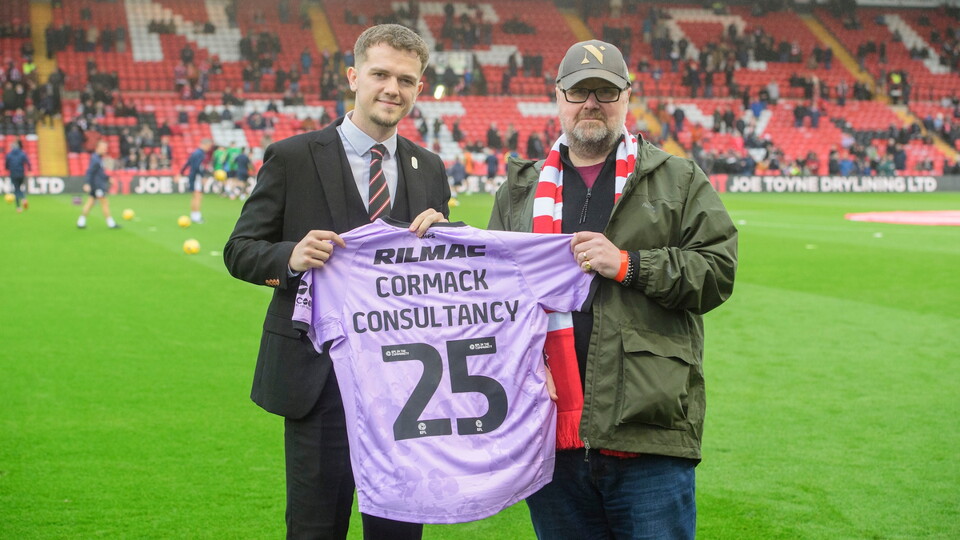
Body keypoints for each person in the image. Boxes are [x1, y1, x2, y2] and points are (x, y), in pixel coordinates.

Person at [488, 39, 738, 539]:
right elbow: (498, 298)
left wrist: (628, 264)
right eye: (580, 91)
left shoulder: (677, 177)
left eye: (605, 91)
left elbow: (717, 270)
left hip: (647, 432)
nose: (592, 104)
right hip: (550, 430)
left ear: (627, 97)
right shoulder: (519, 189)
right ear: (558, 97)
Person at [223, 24, 450, 540]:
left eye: (407, 80)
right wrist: (292, 256)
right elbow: (239, 250)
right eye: (381, 74)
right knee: (315, 528)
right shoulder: (293, 157)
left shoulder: (429, 168)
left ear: (419, 88)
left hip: (404, 386)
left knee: (398, 531)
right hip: (316, 378)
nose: (393, 88)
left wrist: (445, 237)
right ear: (353, 76)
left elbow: (437, 278)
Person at [77, 139, 120, 229]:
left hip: (96, 185)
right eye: (103, 147)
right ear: (97, 148)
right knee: (104, 203)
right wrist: (87, 183)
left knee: (90, 203)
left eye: (105, 148)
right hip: (97, 186)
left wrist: (108, 178)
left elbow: (99, 173)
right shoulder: (95, 159)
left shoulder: (98, 158)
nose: (105, 149)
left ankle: (81, 221)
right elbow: (90, 172)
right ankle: (110, 223)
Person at [180, 138, 212, 223]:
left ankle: (194, 215)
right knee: (198, 197)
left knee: (194, 197)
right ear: (204, 144)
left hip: (192, 176)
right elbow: (198, 166)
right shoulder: (200, 154)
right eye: (208, 146)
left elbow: (188, 163)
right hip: (196, 177)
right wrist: (202, 176)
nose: (209, 148)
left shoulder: (195, 153)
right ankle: (196, 217)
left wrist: (181, 172)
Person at [4, 139, 31, 212]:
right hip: (21, 173)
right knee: (19, 188)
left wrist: (7, 168)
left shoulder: (9, 155)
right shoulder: (22, 153)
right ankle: (24, 199)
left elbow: (6, 165)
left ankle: (18, 207)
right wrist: (29, 169)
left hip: (13, 173)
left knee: (16, 189)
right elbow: (28, 162)